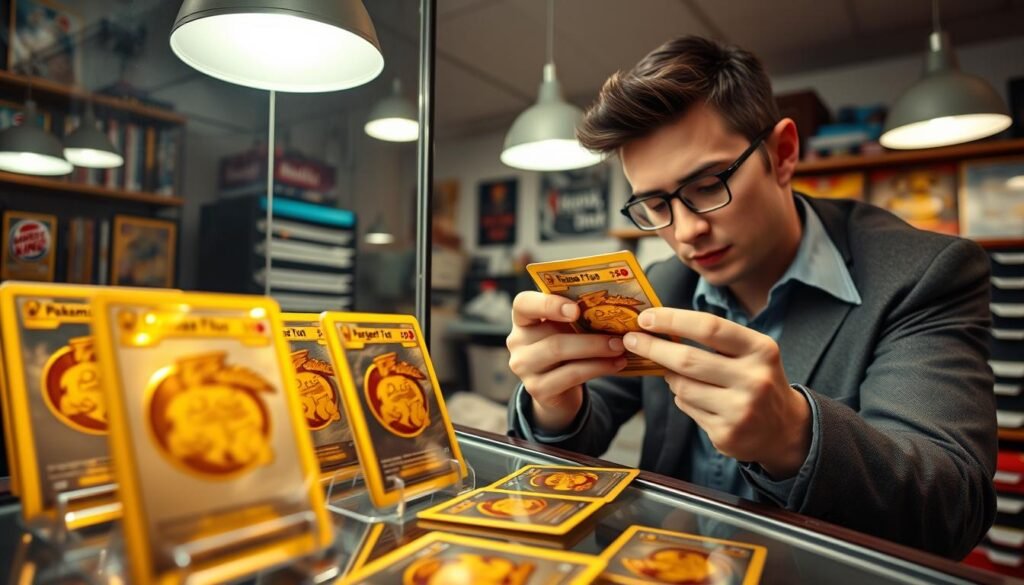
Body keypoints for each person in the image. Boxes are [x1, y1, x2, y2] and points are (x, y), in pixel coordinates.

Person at [505, 35, 996, 559]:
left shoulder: (921, 275)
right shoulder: (666, 283)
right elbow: (591, 418)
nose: (686, 231)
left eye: (709, 184)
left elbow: (952, 507)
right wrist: (554, 402)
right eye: (654, 204)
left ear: (782, 154)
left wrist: (794, 437)